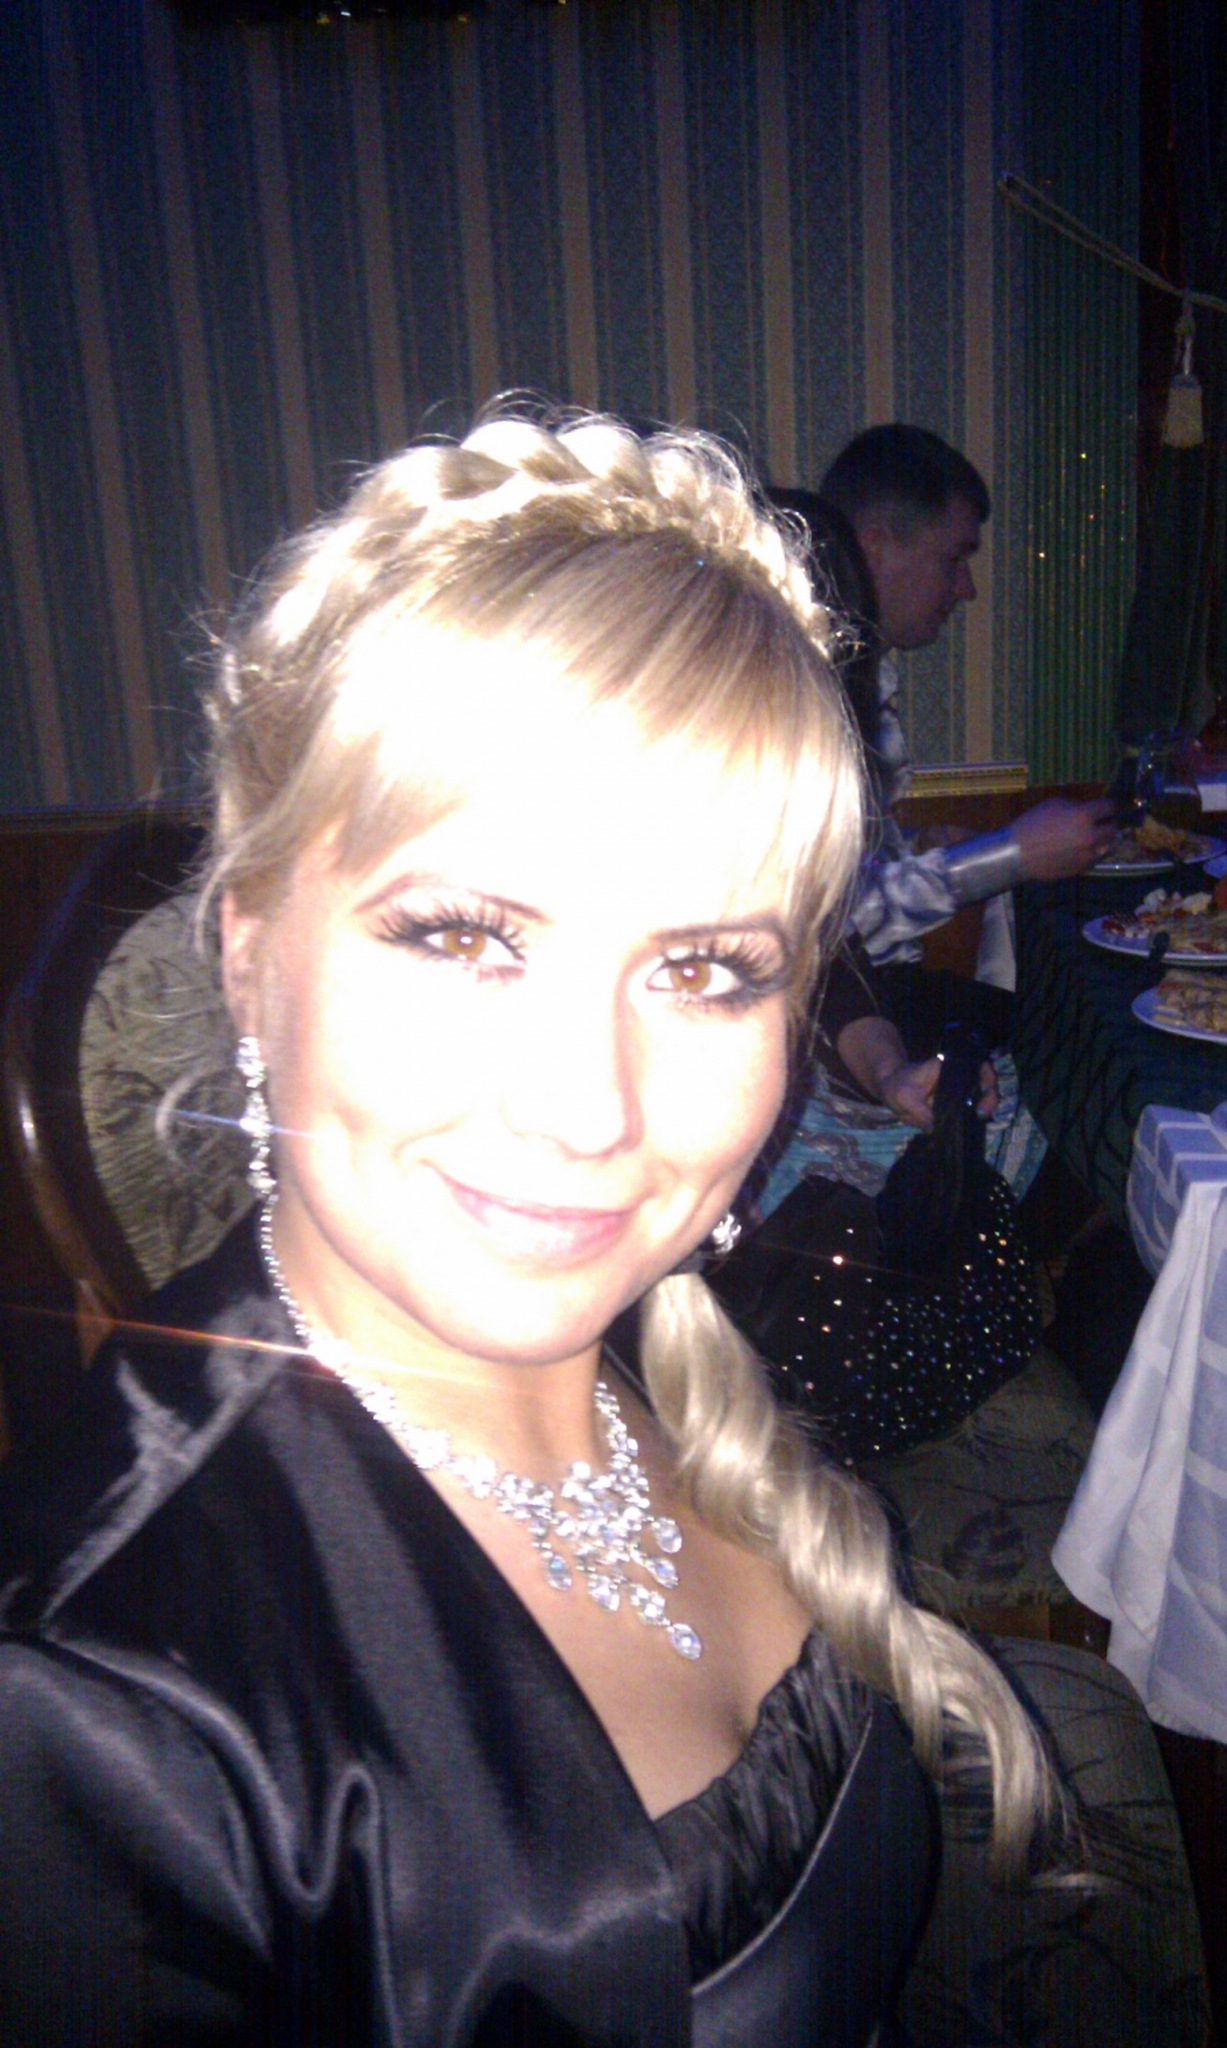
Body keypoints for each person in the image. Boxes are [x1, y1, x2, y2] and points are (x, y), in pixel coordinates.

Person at [0, 411, 1194, 2046]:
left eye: (703, 969)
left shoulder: (621, 1327)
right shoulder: (101, 1716)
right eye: (461, 935)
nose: (589, 1110)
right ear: (249, 952)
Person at [816, 426, 1118, 1039]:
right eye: (953, 559)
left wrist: (915, 845)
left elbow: (842, 869)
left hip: (871, 998)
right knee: (1074, 1034)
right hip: (838, 1025)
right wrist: (1010, 854)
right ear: (875, 548)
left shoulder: (860, 671)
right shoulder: (809, 688)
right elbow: (829, 924)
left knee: (1073, 1021)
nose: (967, 588)